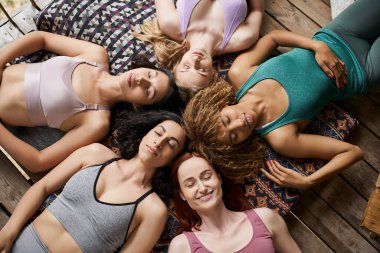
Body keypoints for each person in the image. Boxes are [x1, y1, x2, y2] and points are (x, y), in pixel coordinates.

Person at [182, 0, 380, 188]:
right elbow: (352, 152)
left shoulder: (240, 73)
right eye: (234, 136)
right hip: (362, 70)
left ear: (220, 106)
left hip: (337, 34)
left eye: (226, 120)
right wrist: (307, 181)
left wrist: (316, 46)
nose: (240, 123)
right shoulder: (281, 137)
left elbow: (273, 38)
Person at [0, 110, 186, 253]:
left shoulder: (153, 210)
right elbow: (43, 187)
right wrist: (9, 232)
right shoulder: (95, 154)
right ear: (145, 133)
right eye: (158, 132)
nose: (159, 142)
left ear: (172, 160)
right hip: (21, 244)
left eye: (171, 144)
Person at [0, 31, 182, 173]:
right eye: (150, 74)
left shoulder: (97, 121)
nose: (142, 80)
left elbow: (39, 161)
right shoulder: (95, 55)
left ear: (140, 106)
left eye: (148, 90)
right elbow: (41, 39)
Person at [168, 153, 301, 253]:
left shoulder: (266, 219)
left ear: (219, 179)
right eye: (190, 184)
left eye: (207, 176)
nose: (202, 188)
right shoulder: (182, 247)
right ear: (182, 195)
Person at [135, 0, 264, 99]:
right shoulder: (243, 39)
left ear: (176, 65)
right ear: (213, 74)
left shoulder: (169, 24)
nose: (195, 60)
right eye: (201, 70)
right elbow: (257, 10)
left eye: (186, 66)